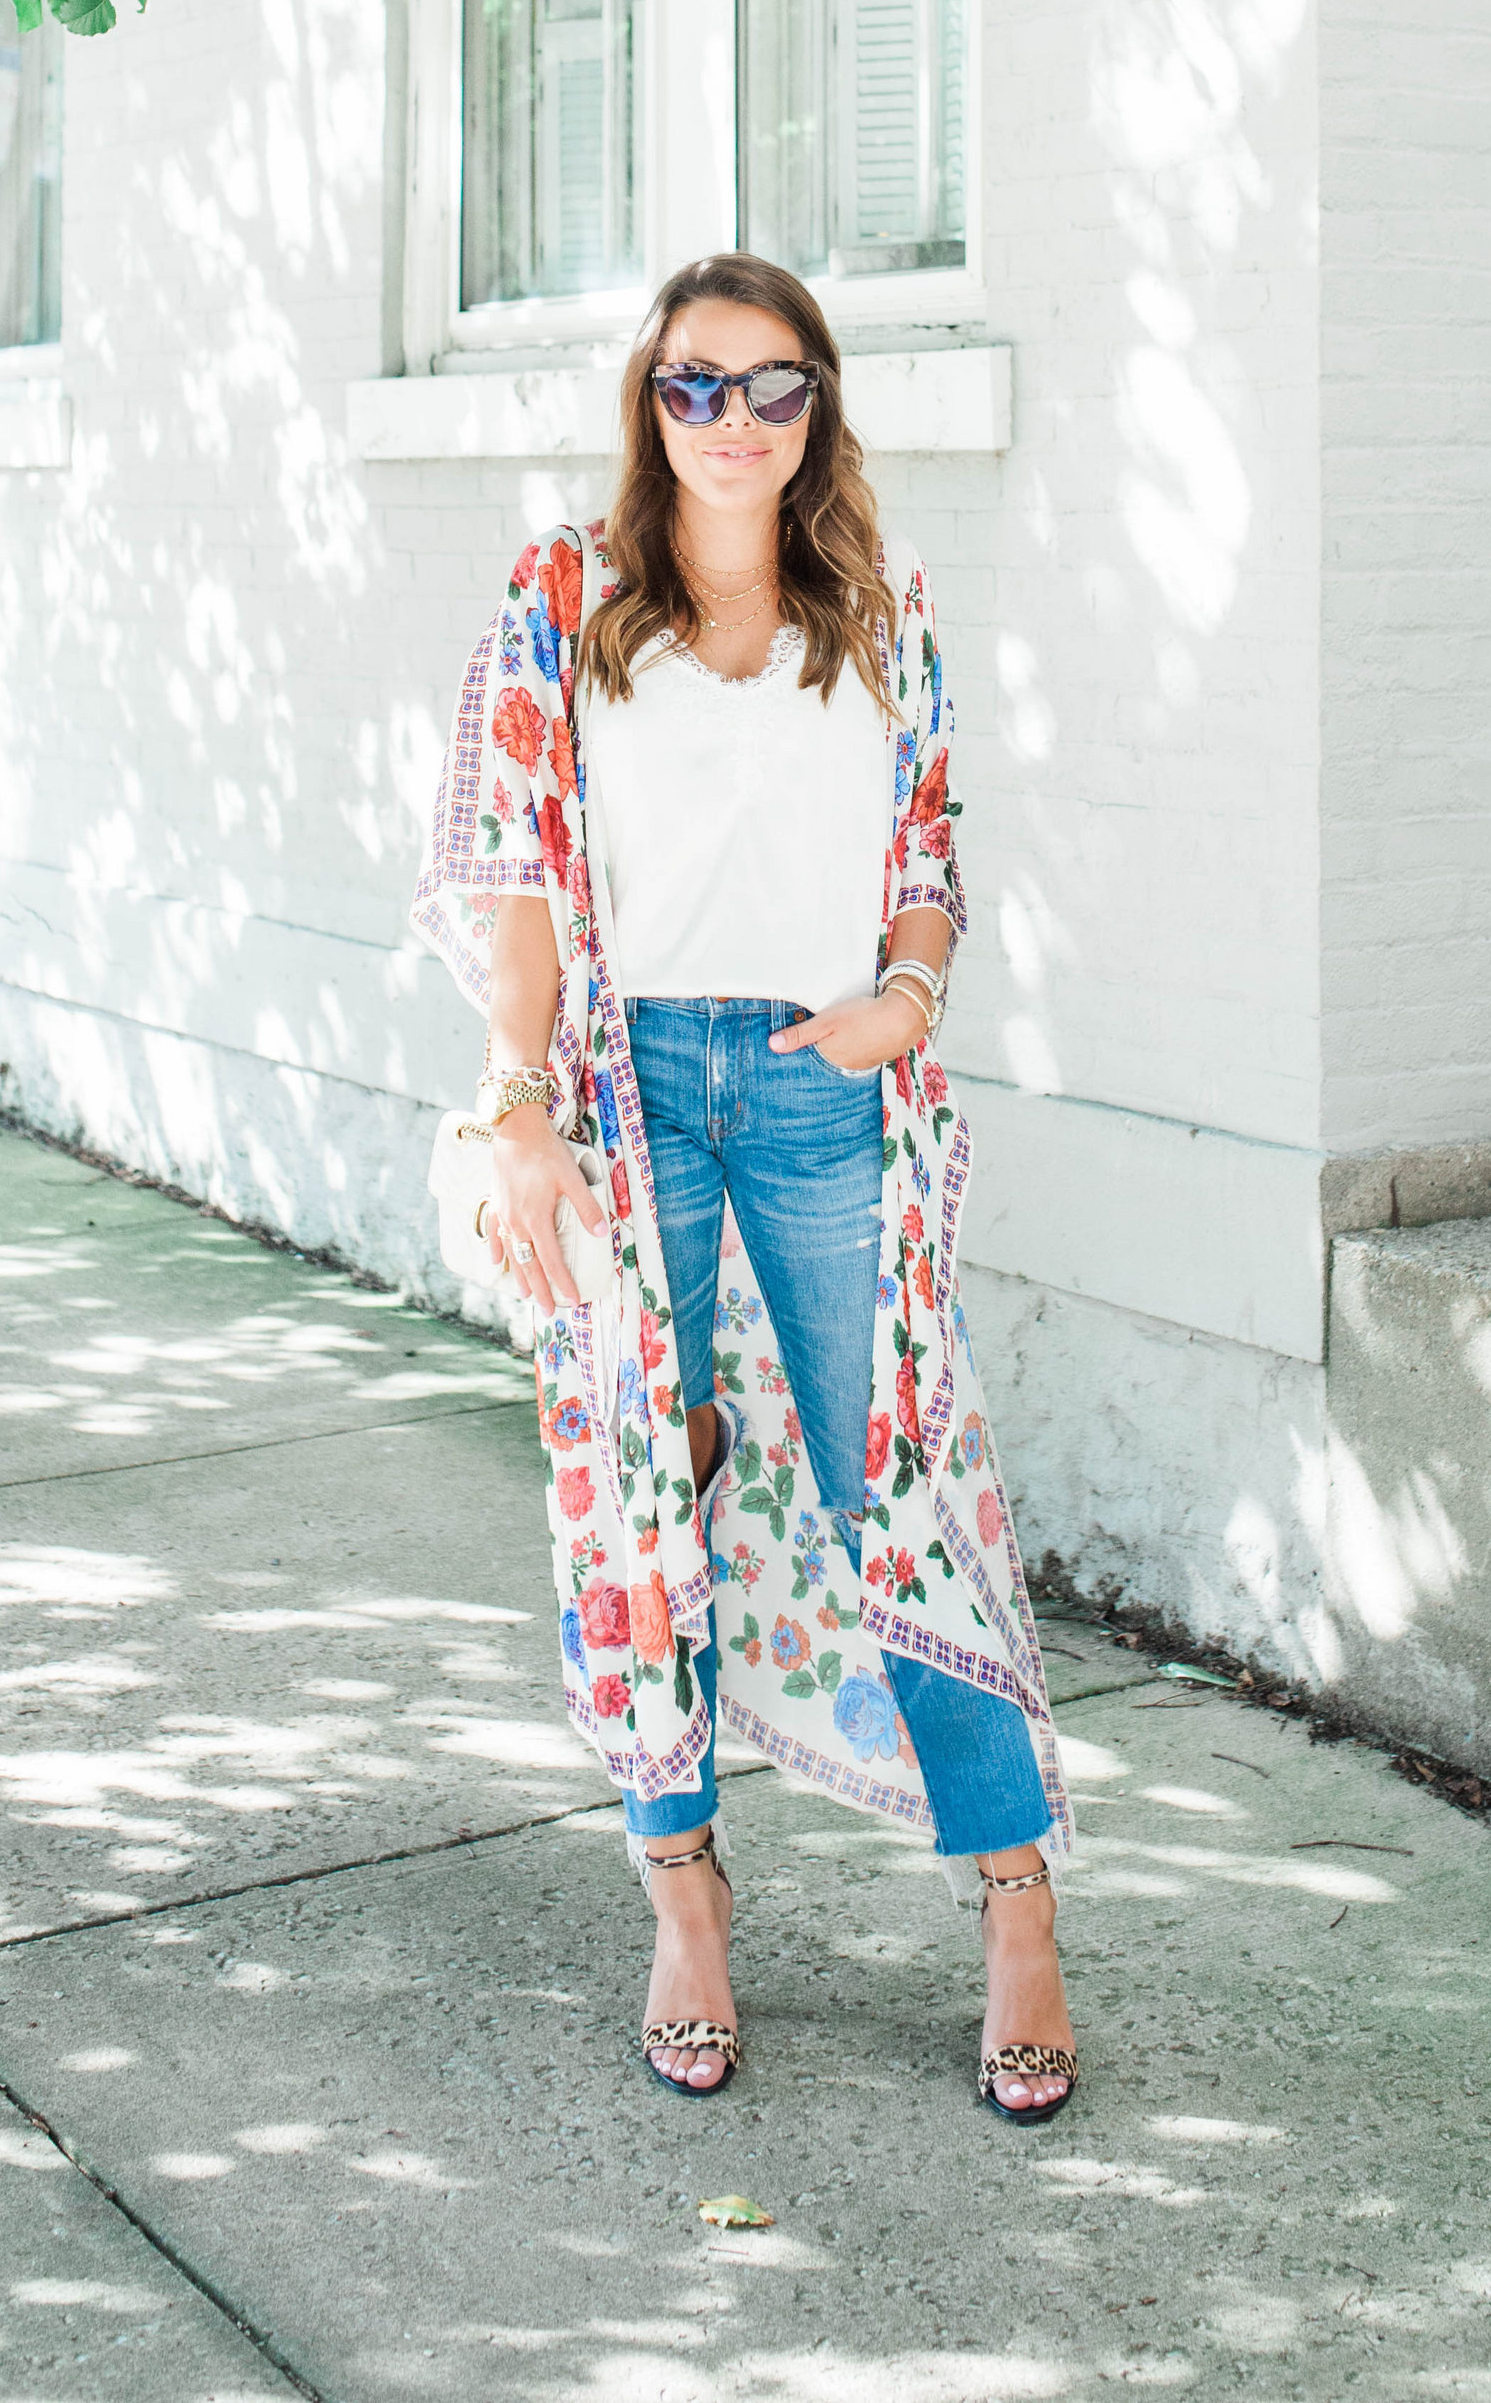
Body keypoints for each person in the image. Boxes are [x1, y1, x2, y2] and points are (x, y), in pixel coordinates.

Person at [413, 251, 1078, 2120]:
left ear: (819, 409)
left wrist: (907, 997)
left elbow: (929, 842)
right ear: (648, 402)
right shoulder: (568, 602)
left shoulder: (881, 605)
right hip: (631, 1104)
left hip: (815, 1090)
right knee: (646, 1500)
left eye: (771, 387)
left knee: (907, 1498)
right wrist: (517, 1097)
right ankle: (685, 1902)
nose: (730, 421)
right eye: (695, 385)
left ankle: (1016, 1909)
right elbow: (525, 878)